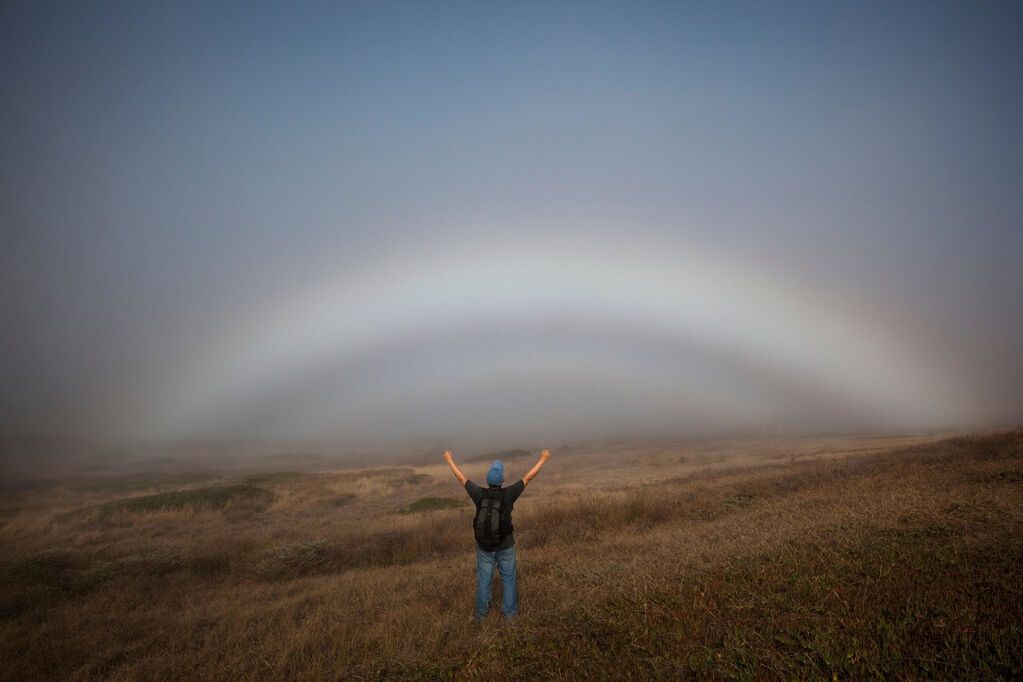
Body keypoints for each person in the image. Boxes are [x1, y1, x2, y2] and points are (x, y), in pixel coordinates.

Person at [443, 448, 551, 620]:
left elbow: (461, 478)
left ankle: (481, 616)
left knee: (484, 582)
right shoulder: (509, 494)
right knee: (508, 580)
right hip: (505, 546)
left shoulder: (479, 494)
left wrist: (449, 460)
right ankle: (509, 615)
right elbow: (528, 477)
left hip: (484, 548)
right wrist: (543, 459)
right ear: (502, 480)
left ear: (488, 480)